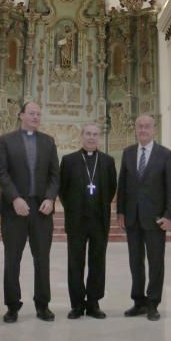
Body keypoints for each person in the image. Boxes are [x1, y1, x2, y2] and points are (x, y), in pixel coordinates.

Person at [0, 101, 59, 323]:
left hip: (41, 210)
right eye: (32, 113)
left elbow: (54, 175)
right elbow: (2, 172)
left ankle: (43, 305)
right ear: (21, 115)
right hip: (15, 210)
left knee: (42, 259)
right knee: (12, 259)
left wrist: (51, 198)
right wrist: (15, 198)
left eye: (39, 114)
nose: (36, 117)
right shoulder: (6, 140)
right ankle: (12, 306)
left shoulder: (48, 142)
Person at [117, 114, 171, 321]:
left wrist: (169, 215)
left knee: (156, 262)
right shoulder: (128, 153)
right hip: (132, 217)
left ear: (154, 130)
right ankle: (138, 302)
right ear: (135, 129)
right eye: (139, 126)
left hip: (155, 219)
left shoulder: (165, 154)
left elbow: (170, 188)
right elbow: (122, 185)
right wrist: (120, 212)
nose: (143, 129)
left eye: (147, 126)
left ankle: (153, 303)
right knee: (135, 261)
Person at [59, 124, 117, 319]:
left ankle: (93, 303)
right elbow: (63, 190)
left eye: (95, 134)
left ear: (99, 137)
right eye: (88, 134)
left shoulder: (108, 161)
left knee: (97, 262)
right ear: (81, 136)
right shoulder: (69, 161)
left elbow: (111, 188)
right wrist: (73, 208)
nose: (92, 137)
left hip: (100, 220)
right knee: (75, 262)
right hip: (76, 220)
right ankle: (76, 304)